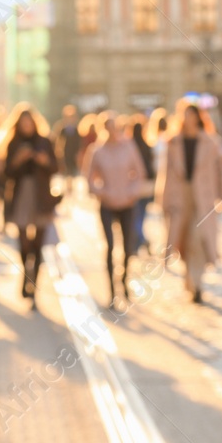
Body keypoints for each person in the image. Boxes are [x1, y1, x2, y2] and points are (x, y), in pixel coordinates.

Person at [158, 102, 222, 304]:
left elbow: (218, 171)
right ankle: (190, 278)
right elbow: (166, 173)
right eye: (185, 115)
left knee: (198, 239)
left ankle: (197, 283)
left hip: (202, 197)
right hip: (180, 195)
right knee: (183, 241)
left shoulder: (208, 142)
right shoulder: (174, 142)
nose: (188, 119)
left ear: (198, 117)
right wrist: (164, 200)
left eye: (191, 115)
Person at [85, 114, 150, 306]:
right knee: (110, 246)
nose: (112, 131)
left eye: (115, 127)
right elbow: (89, 178)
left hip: (127, 203)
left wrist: (132, 192)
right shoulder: (97, 150)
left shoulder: (128, 147)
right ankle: (112, 290)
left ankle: (124, 280)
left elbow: (139, 173)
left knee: (128, 245)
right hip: (107, 204)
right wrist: (101, 191)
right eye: (109, 127)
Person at [0, 105, 57, 301]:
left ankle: (35, 282)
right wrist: (17, 160)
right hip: (21, 194)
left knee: (39, 241)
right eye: (23, 123)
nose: (27, 127)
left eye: (29, 123)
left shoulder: (44, 142)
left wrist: (43, 161)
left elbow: (55, 167)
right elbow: (6, 174)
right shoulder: (13, 143)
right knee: (24, 241)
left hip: (41, 195)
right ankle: (26, 274)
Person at [129, 116, 156, 254]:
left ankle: (139, 240)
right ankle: (140, 239)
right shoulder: (146, 146)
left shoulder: (130, 147)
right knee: (141, 215)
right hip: (146, 186)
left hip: (135, 186)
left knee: (136, 215)